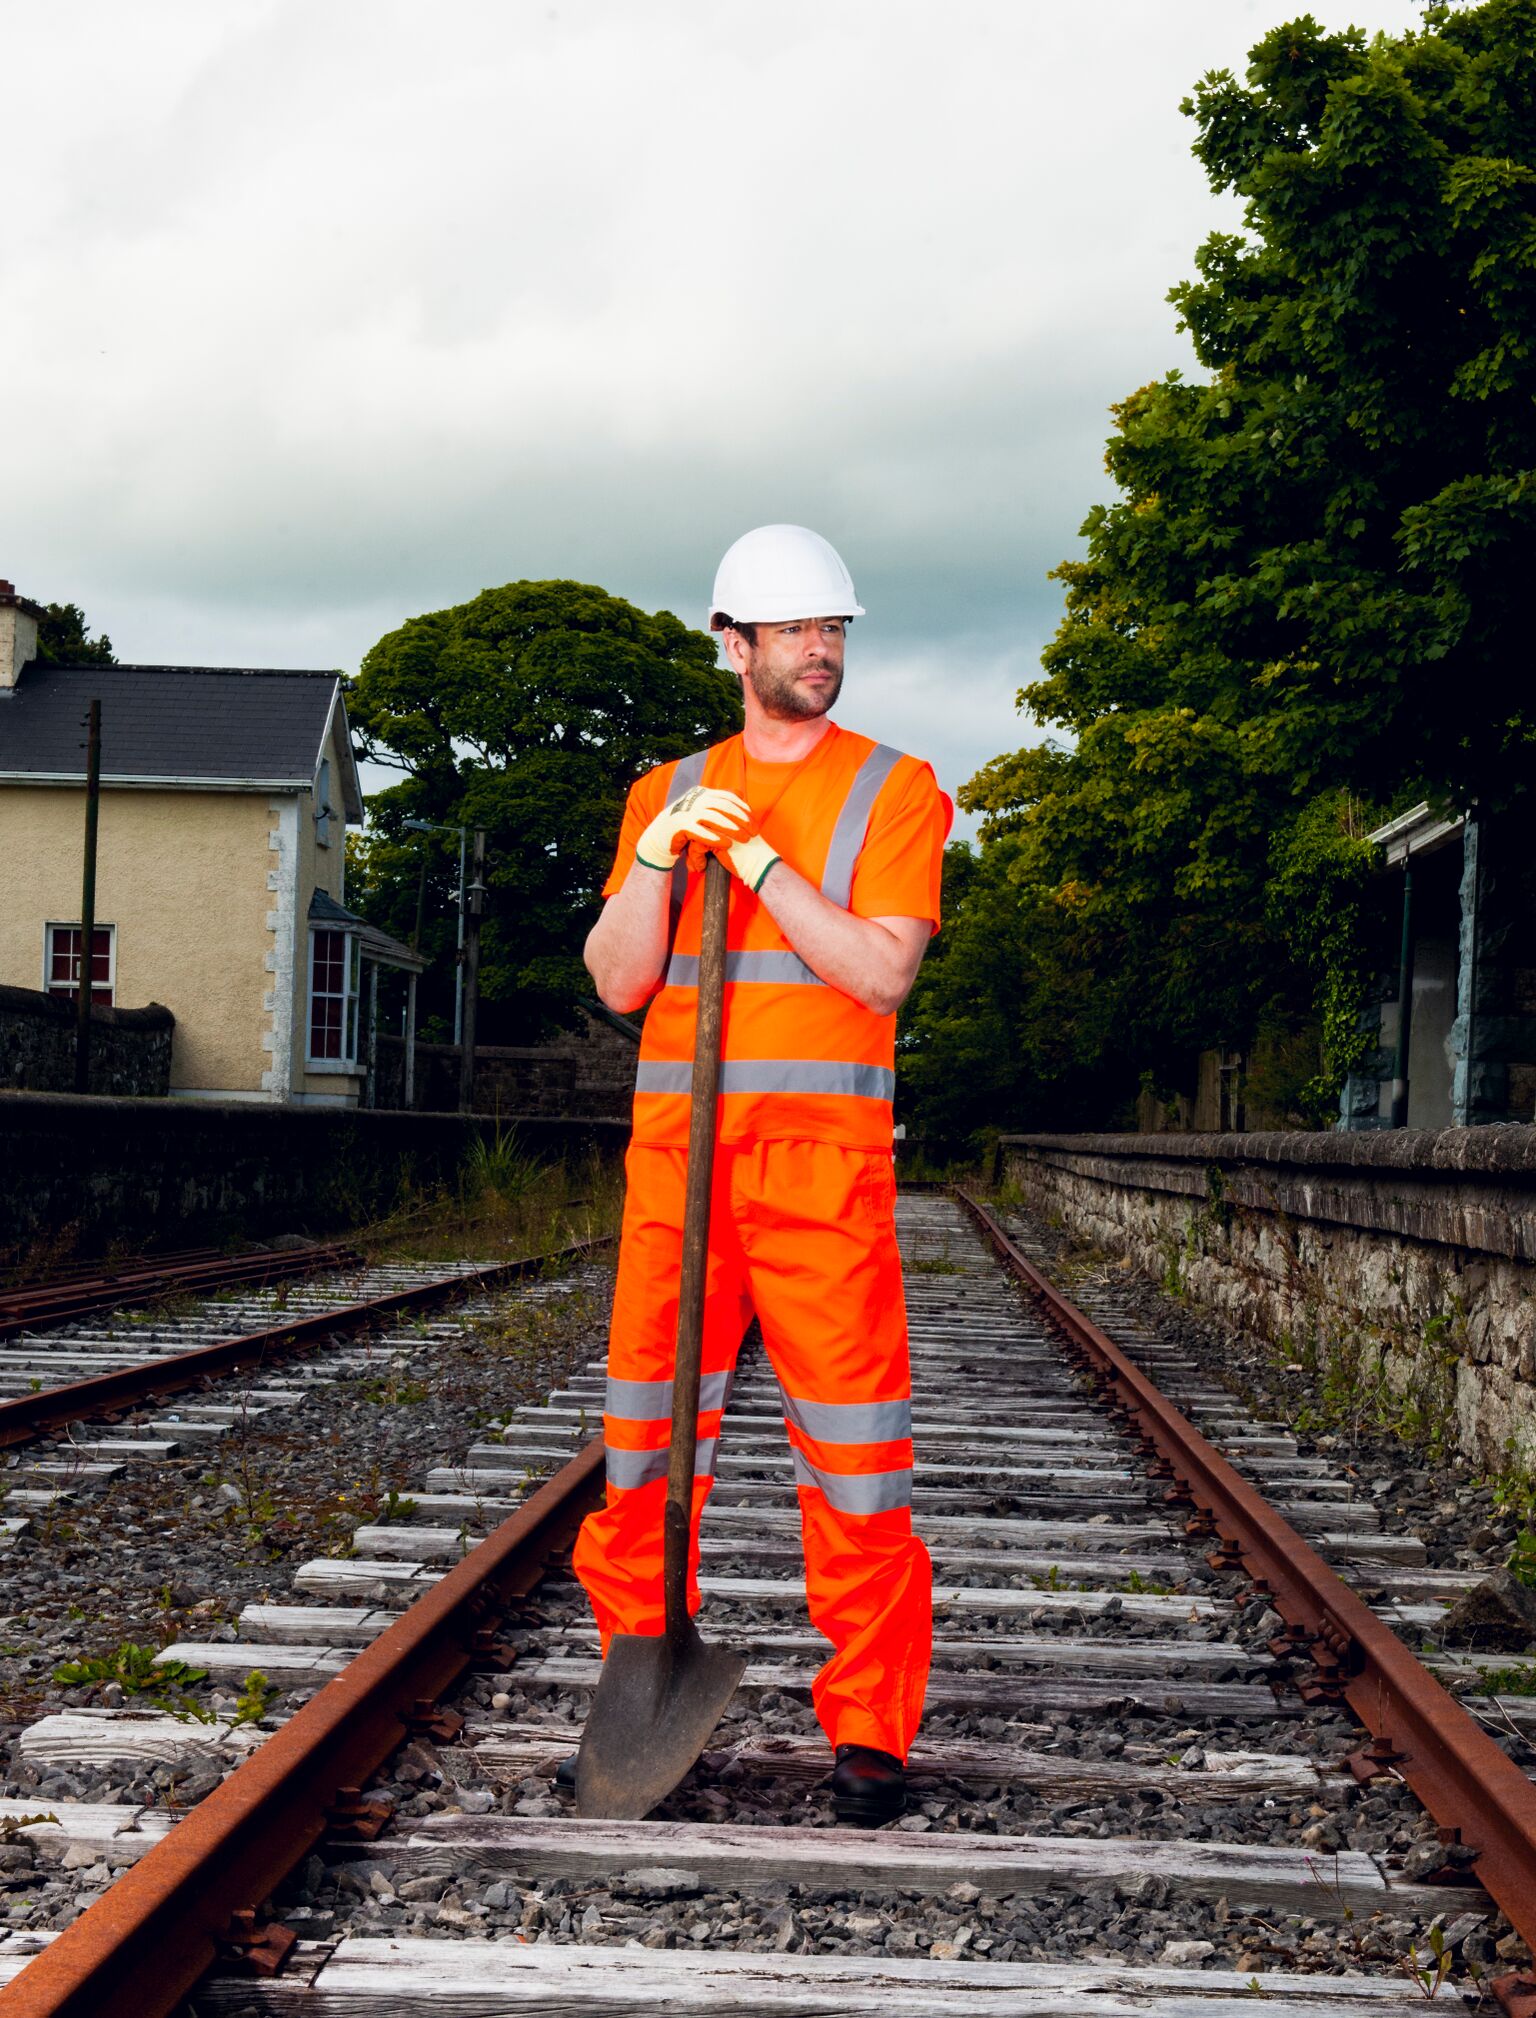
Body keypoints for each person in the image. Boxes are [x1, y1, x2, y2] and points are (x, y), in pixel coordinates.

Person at [571, 524, 950, 1825]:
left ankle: (871, 1727)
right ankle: (641, 1673)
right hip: (678, 1171)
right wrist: (662, 859)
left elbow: (881, 972)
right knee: (642, 1446)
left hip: (818, 1174)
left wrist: (764, 865)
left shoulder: (894, 789)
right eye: (795, 629)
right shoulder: (665, 791)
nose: (821, 649)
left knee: (855, 1452)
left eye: (833, 627)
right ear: (733, 644)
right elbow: (621, 980)